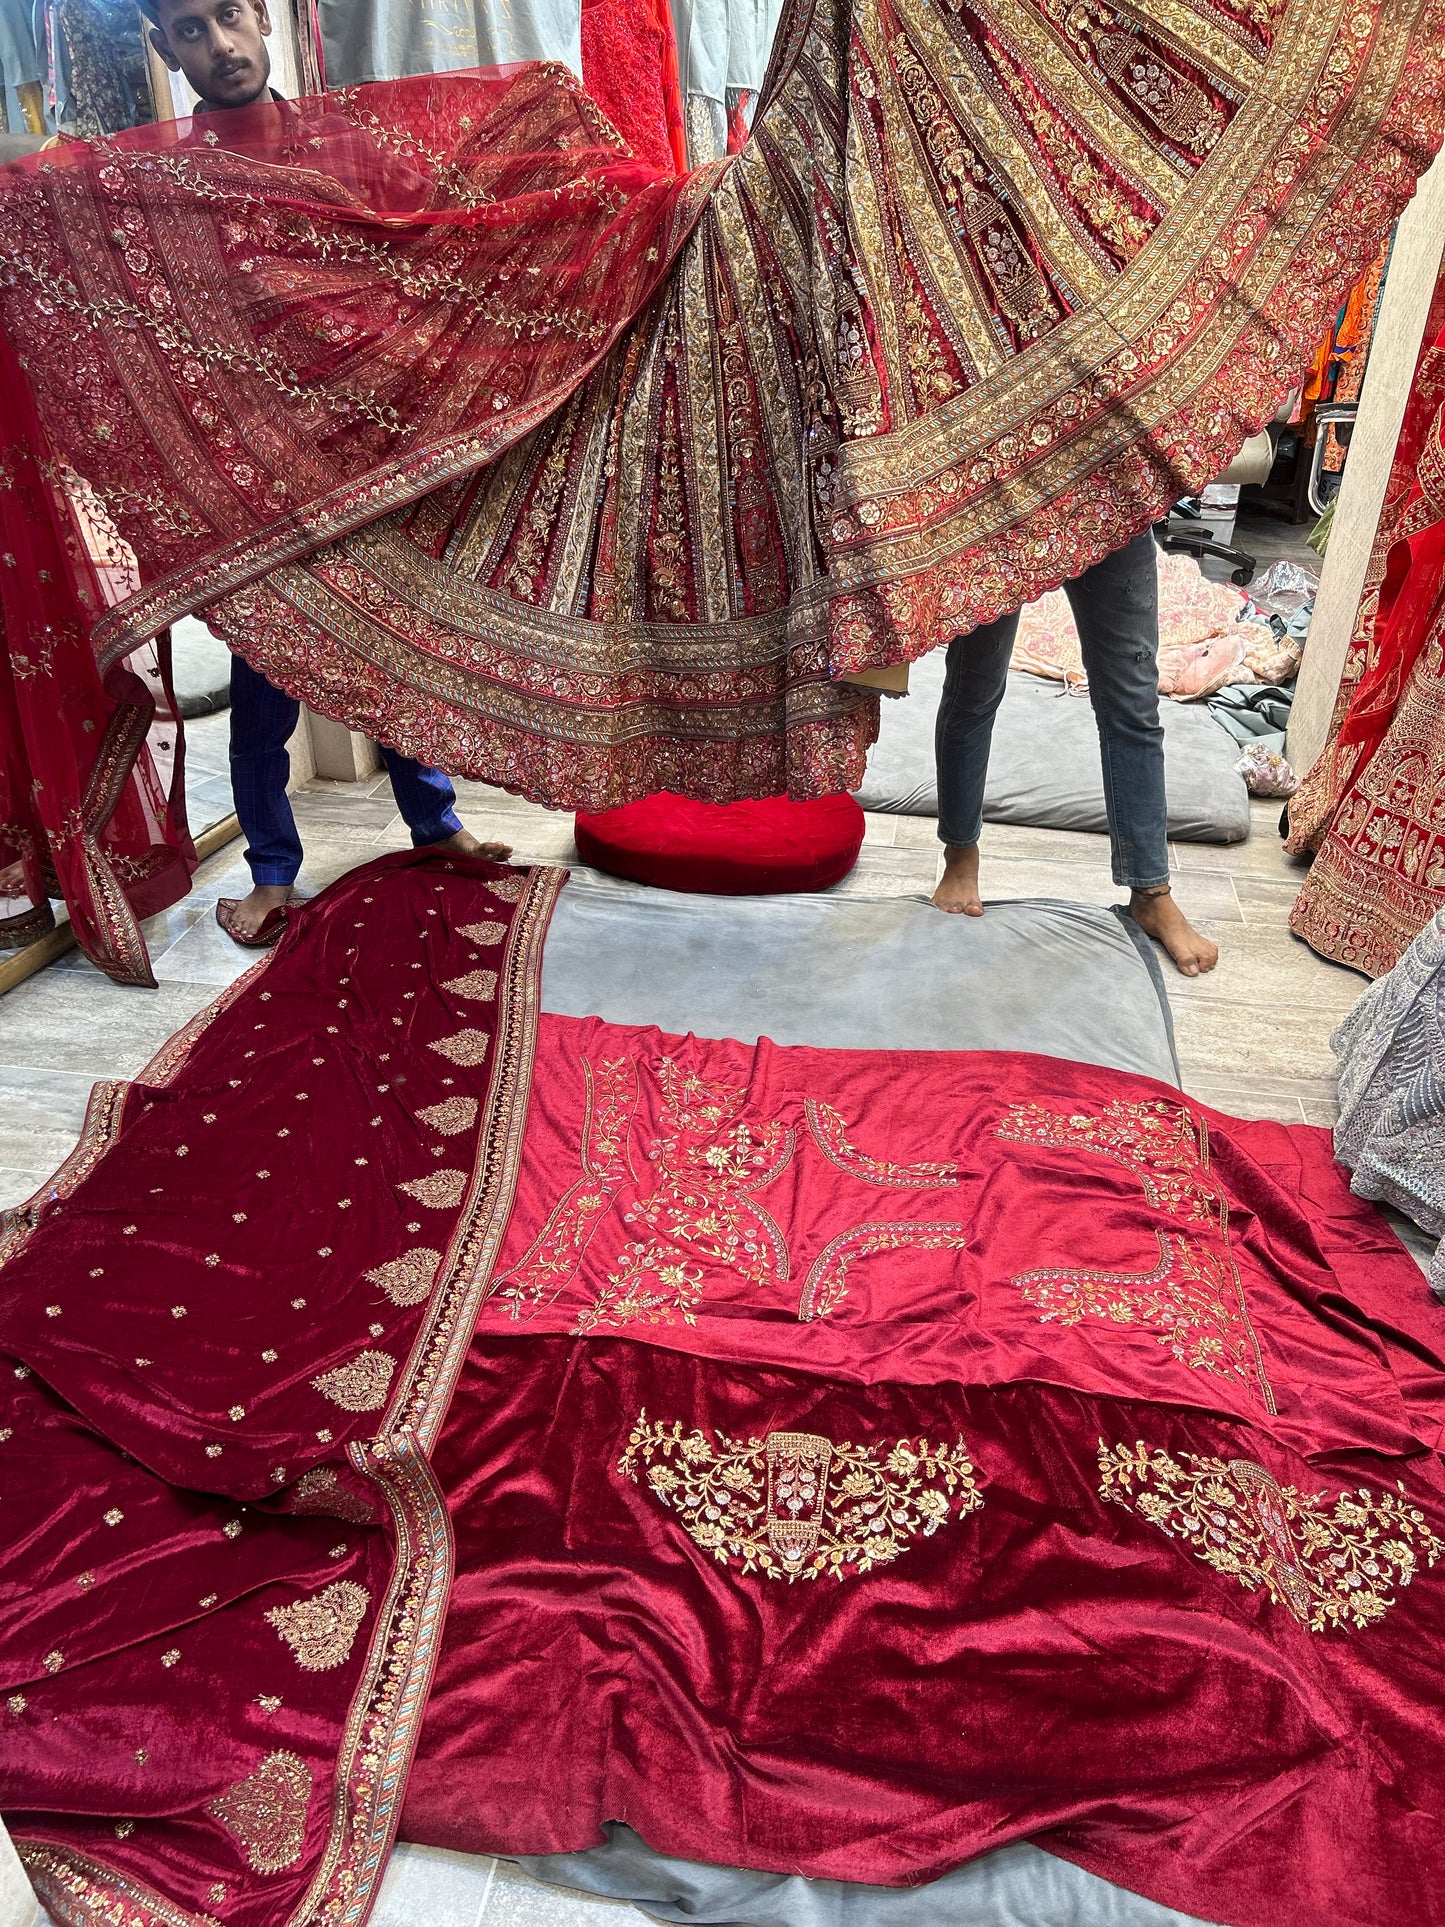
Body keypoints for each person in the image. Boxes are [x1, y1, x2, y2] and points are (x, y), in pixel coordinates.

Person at [142, 0, 511, 948]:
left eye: (228, 16)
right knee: (265, 679)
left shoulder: (343, 143)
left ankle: (435, 822)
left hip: (365, 456)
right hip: (257, 480)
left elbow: (414, 255)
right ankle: (272, 871)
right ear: (162, 47)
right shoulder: (164, 186)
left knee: (397, 651)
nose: (218, 47)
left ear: (262, 18)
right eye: (189, 30)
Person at [930, 530, 1219, 979]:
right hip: (996, 496)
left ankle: (1151, 892)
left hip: (1106, 492)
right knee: (974, 686)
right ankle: (960, 854)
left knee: (1133, 703)